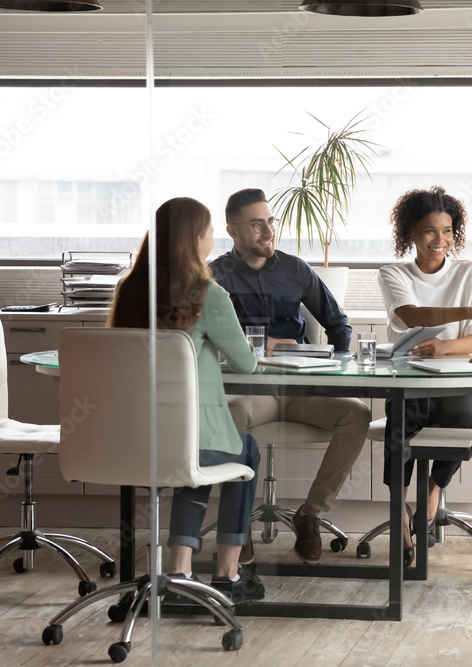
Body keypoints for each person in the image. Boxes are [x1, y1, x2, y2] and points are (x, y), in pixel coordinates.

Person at [108, 196, 264, 604]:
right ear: (196, 239)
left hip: (132, 439)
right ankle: (227, 573)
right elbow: (246, 363)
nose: (212, 238)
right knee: (240, 452)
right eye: (209, 231)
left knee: (194, 456)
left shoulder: (128, 290)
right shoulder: (208, 294)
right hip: (189, 440)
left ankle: (179, 569)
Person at [210, 188, 371, 565]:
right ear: (232, 231)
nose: (268, 231)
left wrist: (336, 369)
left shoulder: (296, 269)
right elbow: (203, 334)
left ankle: (311, 513)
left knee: (357, 413)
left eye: (271, 221)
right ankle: (237, 527)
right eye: (256, 224)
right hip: (252, 391)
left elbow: (337, 324)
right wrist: (262, 347)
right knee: (230, 416)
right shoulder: (215, 274)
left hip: (301, 388)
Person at [378, 186, 472, 564]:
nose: (440, 240)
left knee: (468, 417)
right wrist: (471, 311)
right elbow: (412, 316)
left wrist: (443, 347)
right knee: (401, 418)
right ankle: (397, 510)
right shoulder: (392, 273)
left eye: (448, 230)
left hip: (461, 382)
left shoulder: (470, 271)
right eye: (430, 230)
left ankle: (434, 486)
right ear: (411, 233)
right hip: (412, 378)